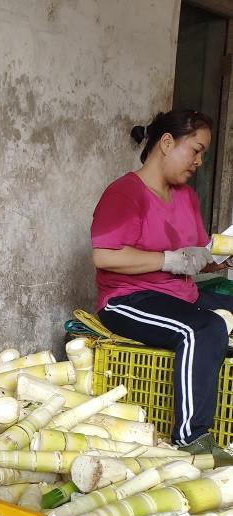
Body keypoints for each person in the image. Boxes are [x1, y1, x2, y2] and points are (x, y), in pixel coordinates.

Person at [91, 109, 233, 462]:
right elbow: (105, 256)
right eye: (196, 150)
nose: (199, 161)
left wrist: (222, 258)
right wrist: (167, 260)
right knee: (203, 329)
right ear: (167, 143)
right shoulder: (125, 193)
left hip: (181, 295)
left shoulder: (185, 197)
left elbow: (197, 254)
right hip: (128, 299)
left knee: (216, 319)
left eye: (203, 154)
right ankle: (191, 440)